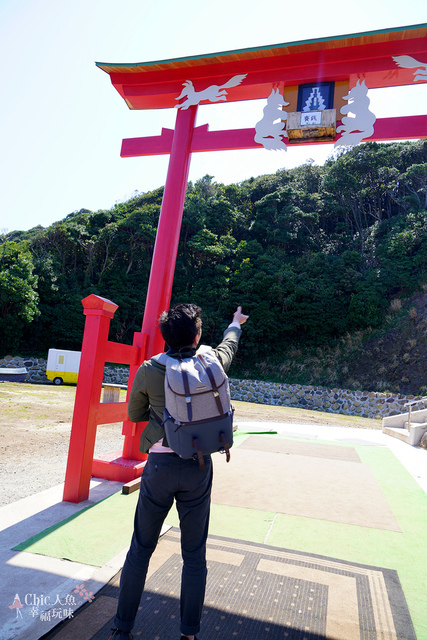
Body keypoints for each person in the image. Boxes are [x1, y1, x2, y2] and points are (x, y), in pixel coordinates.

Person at [109, 304, 249, 640]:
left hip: (159, 467)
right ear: (198, 335)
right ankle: (188, 633)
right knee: (194, 555)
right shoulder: (211, 362)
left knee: (141, 548)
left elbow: (134, 414)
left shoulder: (149, 369)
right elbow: (229, 346)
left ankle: (121, 629)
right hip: (198, 467)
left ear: (164, 336)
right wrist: (235, 323)